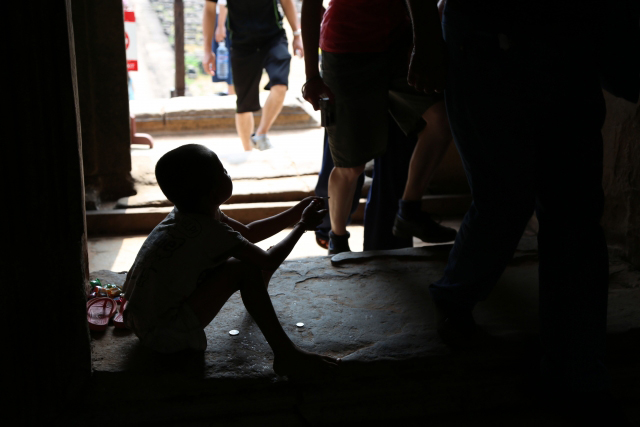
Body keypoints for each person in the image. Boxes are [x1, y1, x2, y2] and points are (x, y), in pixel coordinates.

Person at [407, 0, 638, 421]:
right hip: (487, 45)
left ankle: (579, 373)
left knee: (574, 216)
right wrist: (425, 41)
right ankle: (456, 294)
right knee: (505, 200)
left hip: (565, 47)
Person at [122, 144, 338, 377]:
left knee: (245, 260)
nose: (228, 173)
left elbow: (249, 233)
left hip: (139, 319)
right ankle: (286, 354)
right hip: (166, 334)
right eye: (223, 171)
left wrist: (296, 211)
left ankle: (257, 295)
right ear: (214, 193)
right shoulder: (210, 231)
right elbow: (268, 261)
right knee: (244, 267)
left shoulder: (187, 214)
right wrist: (303, 225)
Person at [301, 0, 457, 254]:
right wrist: (311, 76)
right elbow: (310, 7)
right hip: (345, 51)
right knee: (350, 165)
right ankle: (337, 240)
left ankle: (409, 210)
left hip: (397, 43)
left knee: (441, 121)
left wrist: (421, 42)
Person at [203, 0, 303, 152]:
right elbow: (210, 9)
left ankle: (261, 134)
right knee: (244, 103)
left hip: (273, 37)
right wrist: (207, 50)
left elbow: (286, 1)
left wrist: (297, 34)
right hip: (241, 42)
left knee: (280, 84)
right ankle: (247, 151)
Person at [211, 0, 234, 96]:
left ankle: (232, 91)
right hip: (225, 17)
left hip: (225, 17)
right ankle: (231, 90)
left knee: (229, 57)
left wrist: (220, 26)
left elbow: (223, 2)